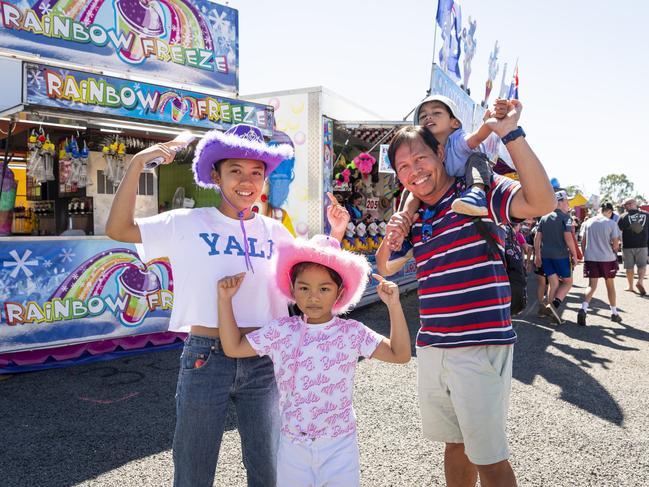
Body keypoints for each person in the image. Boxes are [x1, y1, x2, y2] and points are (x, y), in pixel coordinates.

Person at [105, 124, 350, 487]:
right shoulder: (186, 221)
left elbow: (312, 275)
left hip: (265, 357)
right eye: (235, 170)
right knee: (193, 468)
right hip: (206, 357)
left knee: (268, 469)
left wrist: (337, 235)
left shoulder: (276, 231)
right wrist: (139, 161)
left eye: (256, 172)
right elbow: (118, 229)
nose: (247, 181)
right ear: (215, 175)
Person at [375, 100, 556, 487]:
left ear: (440, 152)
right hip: (434, 346)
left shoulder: (477, 195)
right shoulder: (418, 215)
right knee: (454, 445)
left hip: (479, 344)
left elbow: (542, 202)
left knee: (489, 459)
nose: (414, 171)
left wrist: (510, 134)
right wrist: (396, 228)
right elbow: (386, 266)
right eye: (403, 167)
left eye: (420, 159)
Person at [216, 234, 410, 487]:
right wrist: (224, 300)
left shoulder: (352, 333)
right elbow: (233, 348)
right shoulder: (281, 331)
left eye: (324, 289)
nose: (313, 297)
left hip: (339, 445)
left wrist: (394, 305)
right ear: (292, 288)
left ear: (339, 292)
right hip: (292, 445)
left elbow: (401, 354)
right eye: (304, 288)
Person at [387, 95, 507, 251]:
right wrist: (404, 215)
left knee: (477, 159)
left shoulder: (457, 139)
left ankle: (477, 193)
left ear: (455, 122)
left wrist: (489, 124)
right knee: (410, 190)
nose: (429, 116)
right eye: (423, 116)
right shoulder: (426, 151)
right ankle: (403, 226)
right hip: (447, 192)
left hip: (469, 181)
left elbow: (477, 137)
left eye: (436, 112)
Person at [534, 190, 579, 324]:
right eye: (566, 201)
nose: (568, 203)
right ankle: (554, 306)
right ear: (559, 202)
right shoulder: (566, 218)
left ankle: (553, 316)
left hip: (546, 255)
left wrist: (537, 255)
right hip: (560, 255)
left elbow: (537, 237)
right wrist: (575, 255)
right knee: (568, 282)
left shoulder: (544, 217)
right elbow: (568, 238)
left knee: (553, 283)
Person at [577, 202, 622, 325]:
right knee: (610, 285)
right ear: (609, 211)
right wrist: (615, 250)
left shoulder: (587, 223)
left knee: (591, 285)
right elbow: (616, 244)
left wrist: (585, 256)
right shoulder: (612, 224)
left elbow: (583, 242)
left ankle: (583, 309)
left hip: (591, 257)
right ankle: (614, 313)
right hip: (607, 258)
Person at [618, 197, 648, 296]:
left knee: (629, 267)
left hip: (627, 245)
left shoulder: (623, 216)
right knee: (642, 265)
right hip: (643, 245)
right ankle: (640, 281)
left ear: (630, 204)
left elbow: (618, 231)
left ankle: (630, 287)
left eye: (625, 205)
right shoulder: (647, 215)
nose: (624, 207)